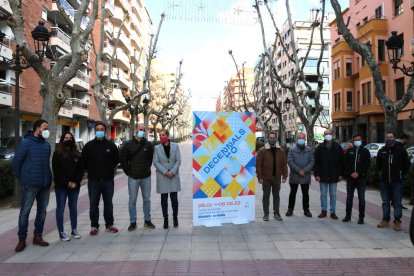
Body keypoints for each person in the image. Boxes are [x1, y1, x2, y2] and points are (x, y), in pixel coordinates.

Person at [13, 119, 52, 252]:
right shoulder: (26, 143)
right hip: (30, 184)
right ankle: (22, 240)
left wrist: (49, 179)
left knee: (42, 211)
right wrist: (23, 179)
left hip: (45, 184)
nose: (47, 131)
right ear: (37, 129)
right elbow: (16, 163)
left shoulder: (46, 145)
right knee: (25, 212)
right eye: (45, 128)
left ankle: (37, 237)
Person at [81, 122, 119, 235]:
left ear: (105, 131)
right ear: (94, 131)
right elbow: (83, 162)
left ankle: (109, 224)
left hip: (108, 181)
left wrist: (108, 170)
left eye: (101, 129)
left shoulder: (111, 145)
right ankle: (94, 226)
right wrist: (91, 171)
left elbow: (116, 160)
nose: (99, 131)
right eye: (97, 129)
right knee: (93, 204)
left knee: (108, 203)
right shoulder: (88, 146)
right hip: (93, 181)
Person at [120, 125, 155, 231]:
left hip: (146, 177)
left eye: (144, 130)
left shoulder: (148, 144)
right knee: (132, 200)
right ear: (135, 130)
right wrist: (129, 172)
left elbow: (150, 159)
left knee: (147, 199)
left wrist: (146, 169)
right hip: (133, 177)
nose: (142, 131)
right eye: (140, 130)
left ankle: (147, 221)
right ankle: (133, 222)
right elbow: (123, 160)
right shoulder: (128, 144)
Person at [52, 132, 84, 241]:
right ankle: (61, 232)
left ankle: (74, 229)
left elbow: (80, 170)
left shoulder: (77, 154)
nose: (68, 140)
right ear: (62, 139)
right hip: (61, 187)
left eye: (70, 138)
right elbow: (57, 171)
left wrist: (75, 182)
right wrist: (67, 183)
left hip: (75, 187)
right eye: (66, 138)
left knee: (73, 208)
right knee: (60, 209)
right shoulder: (57, 154)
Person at [376, 131, 410, 231]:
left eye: (391, 137)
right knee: (385, 202)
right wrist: (381, 173)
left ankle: (397, 222)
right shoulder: (382, 151)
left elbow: (407, 164)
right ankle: (385, 220)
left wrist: (400, 174)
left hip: (397, 182)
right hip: (384, 182)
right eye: (387, 137)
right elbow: (378, 165)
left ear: (394, 138)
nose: (389, 139)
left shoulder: (401, 150)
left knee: (397, 203)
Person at [256, 131, 288, 221]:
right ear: (267, 139)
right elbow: (258, 165)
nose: (272, 139)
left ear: (276, 139)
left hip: (277, 177)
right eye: (271, 138)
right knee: (266, 196)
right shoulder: (262, 150)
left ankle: (276, 213)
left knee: (276, 196)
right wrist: (260, 177)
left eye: (274, 138)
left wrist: (285, 176)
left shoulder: (281, 151)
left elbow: (284, 164)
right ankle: (266, 214)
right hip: (266, 178)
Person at [153, 129, 181, 229]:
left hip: (173, 176)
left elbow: (178, 160)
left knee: (174, 199)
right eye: (160, 135)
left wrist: (172, 171)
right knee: (163, 200)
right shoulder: (156, 148)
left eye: (163, 135)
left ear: (168, 136)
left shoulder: (175, 146)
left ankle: (175, 218)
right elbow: (156, 162)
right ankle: (165, 219)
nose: (161, 137)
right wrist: (165, 172)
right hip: (162, 176)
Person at [314, 129, 344, 220]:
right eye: (326, 134)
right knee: (323, 194)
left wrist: (341, 174)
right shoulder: (320, 147)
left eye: (329, 134)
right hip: (323, 175)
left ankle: (333, 211)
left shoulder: (337, 147)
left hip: (334, 175)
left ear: (333, 135)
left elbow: (341, 161)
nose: (328, 135)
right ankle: (323, 211)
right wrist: (316, 174)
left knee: (333, 194)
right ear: (324, 136)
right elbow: (317, 162)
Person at [342, 134, 371, 224]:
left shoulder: (365, 151)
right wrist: (351, 173)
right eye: (355, 140)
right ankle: (348, 216)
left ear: (361, 140)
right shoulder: (349, 151)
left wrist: (358, 173)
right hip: (350, 178)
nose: (357, 141)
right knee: (349, 197)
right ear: (353, 141)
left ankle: (361, 217)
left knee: (361, 198)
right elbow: (345, 164)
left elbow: (367, 164)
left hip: (361, 178)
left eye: (359, 140)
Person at [286, 132, 314, 218]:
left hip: (305, 176)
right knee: (292, 193)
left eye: (303, 138)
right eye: (299, 138)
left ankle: (306, 210)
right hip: (295, 176)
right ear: (297, 139)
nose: (301, 140)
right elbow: (290, 161)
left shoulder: (309, 150)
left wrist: (304, 170)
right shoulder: (292, 149)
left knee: (305, 194)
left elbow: (312, 161)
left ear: (305, 139)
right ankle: (290, 209)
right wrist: (298, 170)